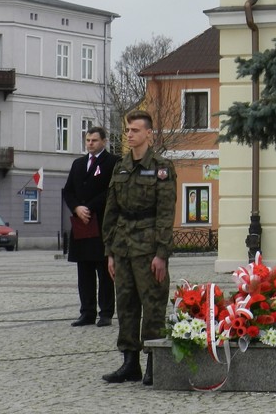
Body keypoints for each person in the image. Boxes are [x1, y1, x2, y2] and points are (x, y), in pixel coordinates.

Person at [100, 111, 176, 385]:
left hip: (148, 247)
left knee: (153, 304)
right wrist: (109, 251)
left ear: (148, 134)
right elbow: (111, 210)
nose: (129, 134)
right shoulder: (120, 167)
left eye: (134, 130)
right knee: (126, 305)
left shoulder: (161, 167)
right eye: (127, 130)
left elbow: (166, 214)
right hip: (123, 246)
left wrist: (161, 254)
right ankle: (129, 362)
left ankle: (155, 362)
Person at [61, 126, 118, 327]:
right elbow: (68, 191)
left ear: (103, 141)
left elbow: (111, 191)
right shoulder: (78, 164)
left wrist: (89, 207)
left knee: (104, 271)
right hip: (81, 224)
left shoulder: (113, 162)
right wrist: (76, 207)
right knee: (83, 271)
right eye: (88, 140)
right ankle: (87, 312)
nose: (90, 144)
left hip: (101, 223)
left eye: (94, 140)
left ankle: (106, 312)